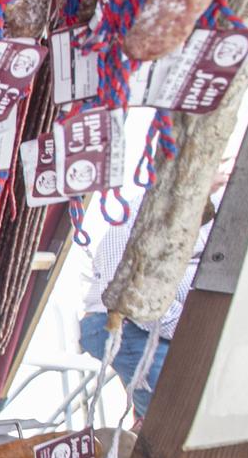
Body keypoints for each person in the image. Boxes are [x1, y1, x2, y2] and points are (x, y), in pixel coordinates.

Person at [77, 163, 226, 421]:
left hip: (187, 325)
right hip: (124, 323)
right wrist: (193, 325)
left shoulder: (229, 211)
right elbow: (126, 296)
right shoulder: (140, 216)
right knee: (175, 417)